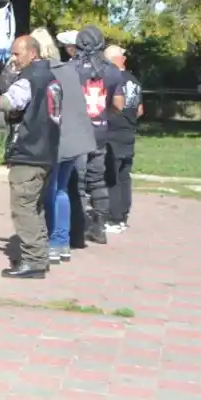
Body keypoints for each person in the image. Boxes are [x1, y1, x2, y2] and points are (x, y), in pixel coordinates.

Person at [0, 35, 61, 279]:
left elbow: (10, 102)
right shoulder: (52, 78)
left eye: (17, 54)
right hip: (48, 151)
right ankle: (38, 257)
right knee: (35, 207)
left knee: (24, 209)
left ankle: (33, 263)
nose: (14, 59)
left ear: (32, 53)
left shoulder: (29, 78)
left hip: (29, 153)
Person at [42, 30, 97, 265]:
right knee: (62, 191)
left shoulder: (47, 73)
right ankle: (62, 242)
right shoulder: (69, 70)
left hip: (57, 141)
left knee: (50, 192)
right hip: (74, 140)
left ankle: (53, 242)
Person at [71, 24, 125, 244]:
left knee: (78, 181)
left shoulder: (71, 69)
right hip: (100, 132)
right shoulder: (112, 71)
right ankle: (99, 226)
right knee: (97, 180)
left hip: (78, 132)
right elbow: (119, 105)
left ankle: (80, 225)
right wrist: (104, 114)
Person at [103, 45, 142, 233]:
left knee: (112, 177)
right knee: (125, 176)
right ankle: (124, 215)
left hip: (113, 132)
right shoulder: (134, 80)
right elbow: (140, 109)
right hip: (129, 132)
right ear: (122, 59)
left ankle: (113, 218)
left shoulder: (112, 79)